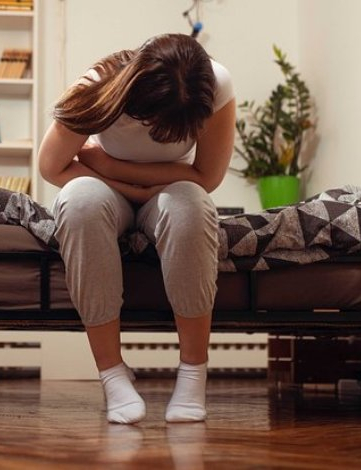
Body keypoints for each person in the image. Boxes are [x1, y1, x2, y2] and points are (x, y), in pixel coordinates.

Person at [37, 33, 235, 424]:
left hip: (167, 192)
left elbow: (207, 177)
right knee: (80, 201)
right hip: (108, 194)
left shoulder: (215, 84)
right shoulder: (99, 85)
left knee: (192, 205)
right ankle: (112, 374)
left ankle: (193, 374)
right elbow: (51, 166)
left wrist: (111, 166)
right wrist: (129, 190)